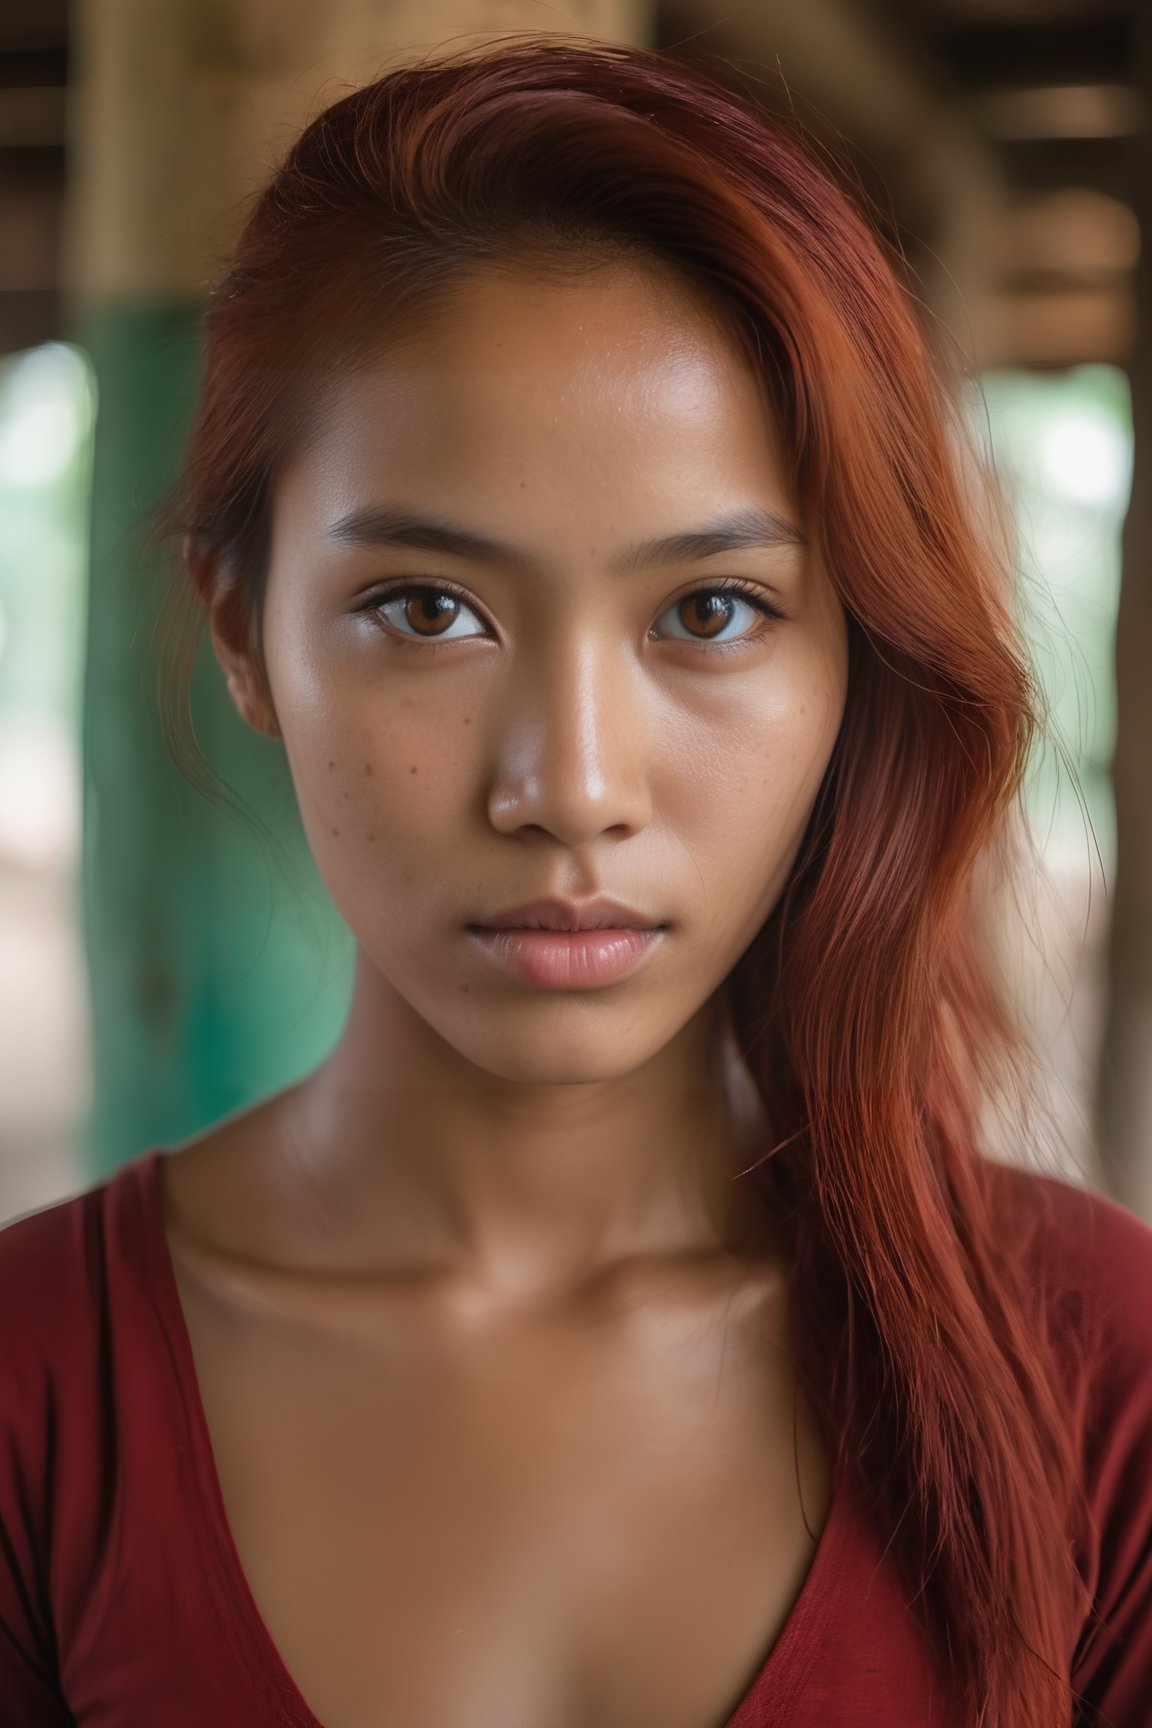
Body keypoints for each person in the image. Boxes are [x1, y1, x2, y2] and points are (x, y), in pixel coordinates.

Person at [2, 31, 1150, 1728]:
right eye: (428, 608)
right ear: (243, 629)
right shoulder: (34, 1395)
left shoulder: (1097, 1370)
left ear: (856, 657)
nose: (572, 788)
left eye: (710, 612)